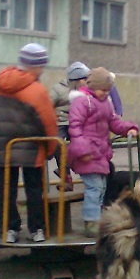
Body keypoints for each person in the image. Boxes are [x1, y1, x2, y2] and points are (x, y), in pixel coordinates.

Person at [0, 43, 58, 243]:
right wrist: (50, 149)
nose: (43, 70)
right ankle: (37, 230)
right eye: (42, 66)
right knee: (34, 190)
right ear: (35, 66)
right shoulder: (37, 91)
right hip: (31, 148)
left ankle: (9, 229)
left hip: (2, 149)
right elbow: (48, 123)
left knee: (6, 191)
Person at [67, 67, 138, 238]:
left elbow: (114, 122)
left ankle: (96, 219)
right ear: (92, 86)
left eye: (108, 90)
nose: (105, 93)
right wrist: (82, 150)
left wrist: (128, 128)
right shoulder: (82, 102)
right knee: (94, 187)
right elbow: (75, 128)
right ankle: (91, 222)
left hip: (100, 153)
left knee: (101, 187)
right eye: (102, 89)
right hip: (87, 153)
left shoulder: (105, 103)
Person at [49, 61, 91, 190]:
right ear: (76, 79)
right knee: (58, 143)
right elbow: (48, 104)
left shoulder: (87, 91)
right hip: (62, 121)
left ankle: (84, 173)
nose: (87, 81)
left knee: (82, 145)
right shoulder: (58, 89)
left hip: (78, 122)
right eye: (85, 79)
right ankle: (66, 175)